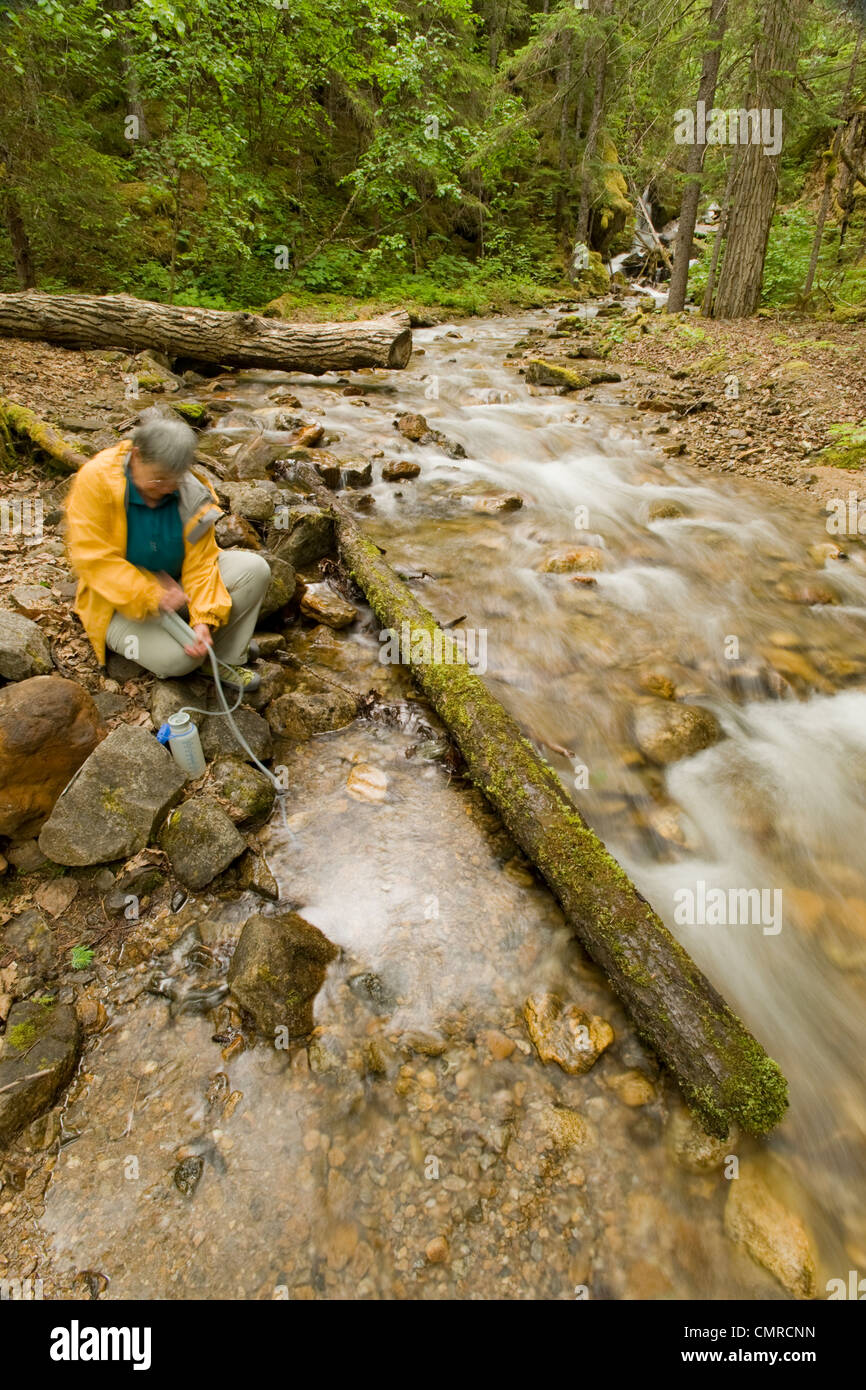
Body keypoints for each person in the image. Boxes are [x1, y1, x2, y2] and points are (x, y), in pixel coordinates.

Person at [66, 410, 270, 691]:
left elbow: (202, 565)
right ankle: (195, 648)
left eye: (172, 481)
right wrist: (151, 594)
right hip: (116, 604)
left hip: (177, 592)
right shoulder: (96, 480)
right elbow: (93, 561)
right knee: (180, 661)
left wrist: (204, 620)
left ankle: (224, 659)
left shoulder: (191, 494)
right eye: (157, 479)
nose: (164, 488)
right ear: (136, 456)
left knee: (254, 570)